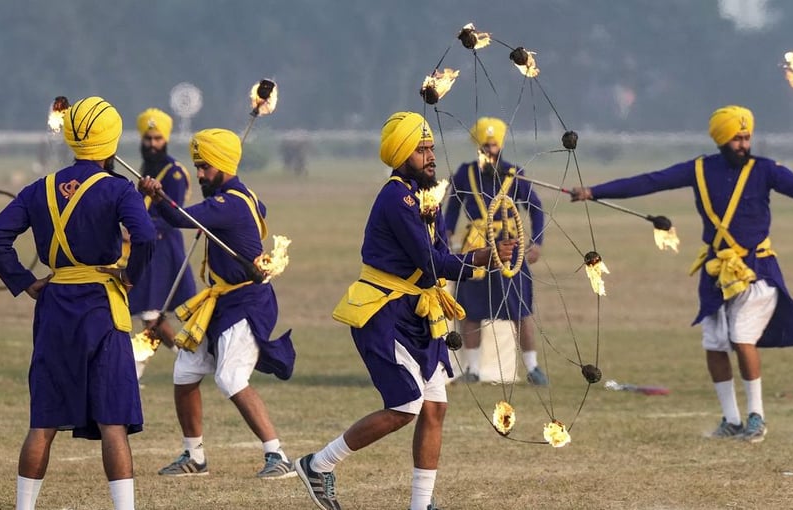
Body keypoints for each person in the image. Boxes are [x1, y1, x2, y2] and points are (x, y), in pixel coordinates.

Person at [569, 106, 793, 443]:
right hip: (715, 271)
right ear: (722, 139)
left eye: (746, 137)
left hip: (757, 270)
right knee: (714, 343)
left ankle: (757, 418)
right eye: (737, 138)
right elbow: (651, 181)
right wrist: (594, 191)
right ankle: (731, 419)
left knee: (741, 337)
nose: (743, 143)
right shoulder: (699, 168)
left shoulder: (765, 169)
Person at [295, 112, 514, 510]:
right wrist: (482, 259)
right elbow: (433, 265)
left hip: (417, 314)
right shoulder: (396, 198)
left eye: (431, 148)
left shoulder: (427, 196)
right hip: (384, 314)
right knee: (406, 405)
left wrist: (484, 256)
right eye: (420, 149)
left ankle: (421, 504)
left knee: (435, 406)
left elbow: (444, 255)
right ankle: (319, 464)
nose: (430, 156)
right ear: (400, 155)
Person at [0, 96, 155, 510]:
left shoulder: (37, 188)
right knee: (113, 420)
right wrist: (131, 275)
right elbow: (145, 237)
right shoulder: (118, 189)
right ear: (111, 141)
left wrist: (24, 281)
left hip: (55, 306)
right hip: (102, 308)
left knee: (43, 421)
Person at [137, 128, 296, 479]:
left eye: (206, 167)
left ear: (224, 165)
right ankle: (194, 456)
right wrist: (211, 219)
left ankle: (278, 456)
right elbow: (255, 208)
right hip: (219, 301)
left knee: (230, 378)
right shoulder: (239, 197)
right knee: (184, 372)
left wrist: (158, 196)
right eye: (197, 166)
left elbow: (178, 218)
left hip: (246, 302)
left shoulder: (231, 204)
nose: (200, 174)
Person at [444, 117, 548, 385]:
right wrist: (445, 235)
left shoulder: (514, 173)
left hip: (510, 249)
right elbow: (452, 208)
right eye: (485, 146)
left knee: (520, 309)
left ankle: (533, 367)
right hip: (476, 247)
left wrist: (536, 242)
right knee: (471, 309)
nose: (489, 150)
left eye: (493, 145)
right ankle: (474, 369)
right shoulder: (464, 174)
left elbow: (534, 207)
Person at [128, 108, 197, 379]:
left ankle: (182, 358)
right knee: (150, 315)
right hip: (144, 247)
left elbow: (173, 214)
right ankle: (175, 359)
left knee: (151, 314)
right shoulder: (145, 169)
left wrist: (137, 229)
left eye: (157, 138)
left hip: (163, 249)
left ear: (165, 139)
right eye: (148, 138)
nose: (153, 144)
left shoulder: (175, 173)